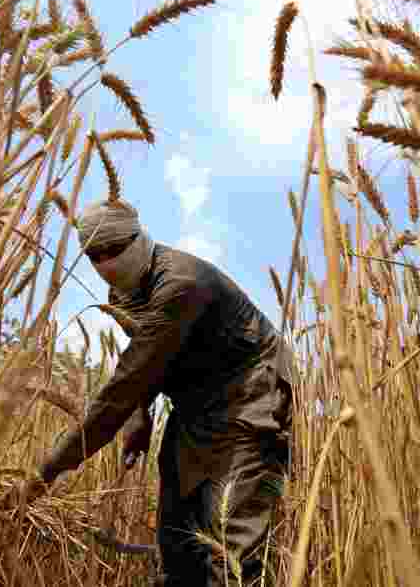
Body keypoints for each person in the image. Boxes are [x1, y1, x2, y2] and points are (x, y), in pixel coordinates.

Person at [39, 198, 294, 587]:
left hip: (251, 394)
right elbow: (147, 366)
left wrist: (46, 472)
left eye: (115, 248)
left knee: (231, 547)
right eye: (94, 255)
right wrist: (140, 416)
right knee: (178, 540)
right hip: (194, 405)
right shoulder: (121, 296)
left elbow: (124, 386)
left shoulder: (181, 284)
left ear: (137, 238)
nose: (106, 263)